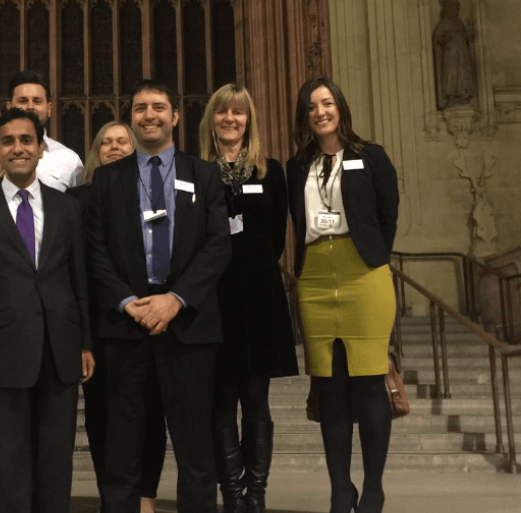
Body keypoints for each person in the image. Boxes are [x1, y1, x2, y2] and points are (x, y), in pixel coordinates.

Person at [86, 79, 231, 513]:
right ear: (131, 117)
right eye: (140, 107)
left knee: (195, 445)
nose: (149, 115)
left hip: (186, 323)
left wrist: (176, 299)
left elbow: (218, 243)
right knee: (123, 443)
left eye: (158, 107)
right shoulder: (108, 179)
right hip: (126, 323)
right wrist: (128, 302)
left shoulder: (202, 173)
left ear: (175, 116)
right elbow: (95, 249)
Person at [0, 108, 94, 513]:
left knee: (55, 463)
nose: (18, 148)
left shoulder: (67, 209)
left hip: (60, 348)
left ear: (40, 148)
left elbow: (78, 278)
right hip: (1, 352)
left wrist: (85, 341)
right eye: (9, 141)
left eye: (26, 140)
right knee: (9, 463)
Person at [287, 78, 398, 513]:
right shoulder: (298, 166)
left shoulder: (370, 156)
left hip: (364, 275)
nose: (320, 111)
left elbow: (388, 214)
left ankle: (372, 489)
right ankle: (339, 489)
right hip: (314, 277)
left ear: (340, 108)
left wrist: (372, 256)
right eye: (312, 106)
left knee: (370, 384)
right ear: (305, 116)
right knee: (329, 387)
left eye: (327, 102)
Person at [198, 84, 299, 513]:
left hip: (259, 298)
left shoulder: (271, 171)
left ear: (248, 119)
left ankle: (255, 496)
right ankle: (232, 497)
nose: (230, 120)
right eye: (222, 112)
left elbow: (276, 236)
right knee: (221, 400)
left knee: (256, 399)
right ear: (212, 120)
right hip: (213, 298)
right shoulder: (197, 172)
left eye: (238, 113)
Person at [69, 121, 168, 513]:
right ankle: (113, 495)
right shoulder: (76, 198)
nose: (112, 147)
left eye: (120, 141)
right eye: (105, 142)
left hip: (152, 316)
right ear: (96, 151)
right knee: (102, 416)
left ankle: (145, 496)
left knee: (150, 411)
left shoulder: (154, 193)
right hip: (101, 320)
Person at [7, 69, 84, 191]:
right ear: (9, 107)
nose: (30, 107)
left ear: (49, 109)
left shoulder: (70, 161)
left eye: (37, 101)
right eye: (23, 101)